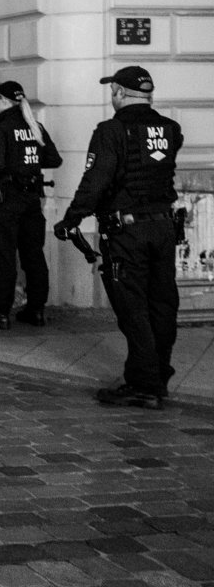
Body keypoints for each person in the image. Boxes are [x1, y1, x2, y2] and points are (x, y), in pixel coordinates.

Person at [54, 66, 184, 410]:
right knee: (162, 303)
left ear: (120, 93)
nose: (111, 96)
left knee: (133, 308)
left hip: (127, 232)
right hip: (163, 227)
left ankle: (143, 384)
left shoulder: (110, 131)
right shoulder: (171, 130)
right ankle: (158, 376)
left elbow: (96, 180)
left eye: (112, 90)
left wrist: (71, 218)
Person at [0, 81, 62, 330]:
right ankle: (36, 310)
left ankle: (0, 313)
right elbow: (53, 158)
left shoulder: (2, 129)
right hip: (33, 200)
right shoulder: (35, 126)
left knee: (4, 258)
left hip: (7, 200)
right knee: (33, 256)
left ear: (4, 101)